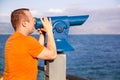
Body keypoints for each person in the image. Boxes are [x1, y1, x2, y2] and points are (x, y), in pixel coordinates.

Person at [3, 8, 57, 80]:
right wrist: (50, 31)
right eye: (32, 20)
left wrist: (42, 34)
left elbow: (36, 51)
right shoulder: (27, 41)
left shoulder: (11, 40)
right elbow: (52, 54)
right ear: (24, 23)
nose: (34, 23)